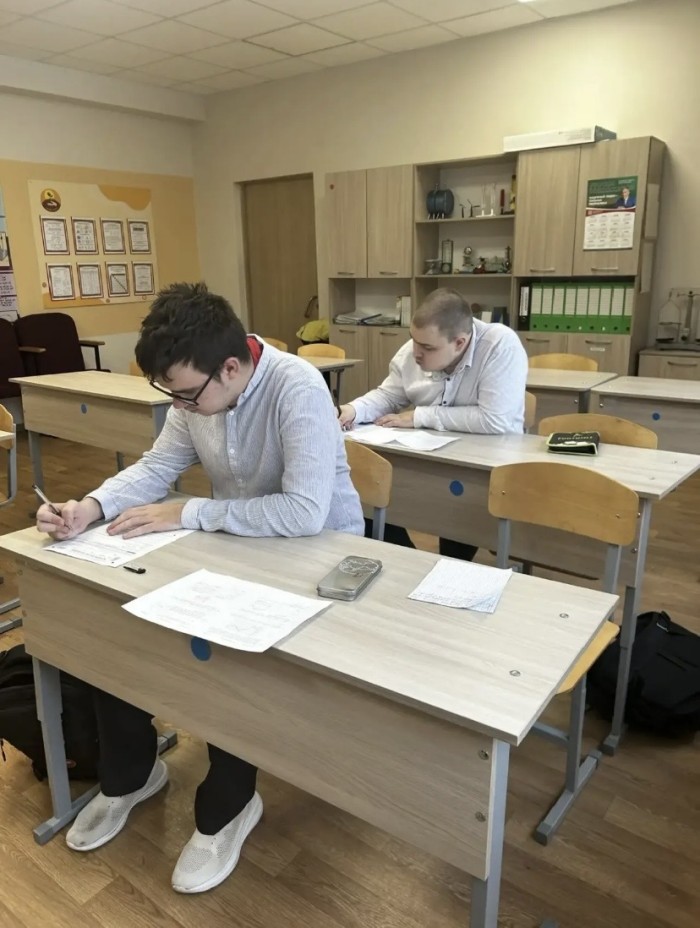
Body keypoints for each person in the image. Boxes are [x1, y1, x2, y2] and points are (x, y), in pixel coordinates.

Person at [35, 281, 364, 894]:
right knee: (119, 620)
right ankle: (131, 775)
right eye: (171, 394)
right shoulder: (197, 391)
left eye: (186, 395)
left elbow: (304, 513)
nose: (179, 406)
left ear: (231, 367)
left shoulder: (297, 387)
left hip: (315, 557)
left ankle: (228, 807)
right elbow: (159, 465)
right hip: (237, 540)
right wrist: (90, 506)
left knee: (224, 657)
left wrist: (188, 512)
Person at [337, 288, 527, 558]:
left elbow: (494, 419)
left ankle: (446, 567)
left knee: (456, 519)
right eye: (414, 340)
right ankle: (411, 563)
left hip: (486, 468)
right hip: (431, 456)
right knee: (370, 496)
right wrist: (353, 410)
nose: (416, 353)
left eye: (427, 348)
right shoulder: (416, 347)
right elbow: (389, 395)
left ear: (460, 343)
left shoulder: (499, 345)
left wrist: (418, 416)